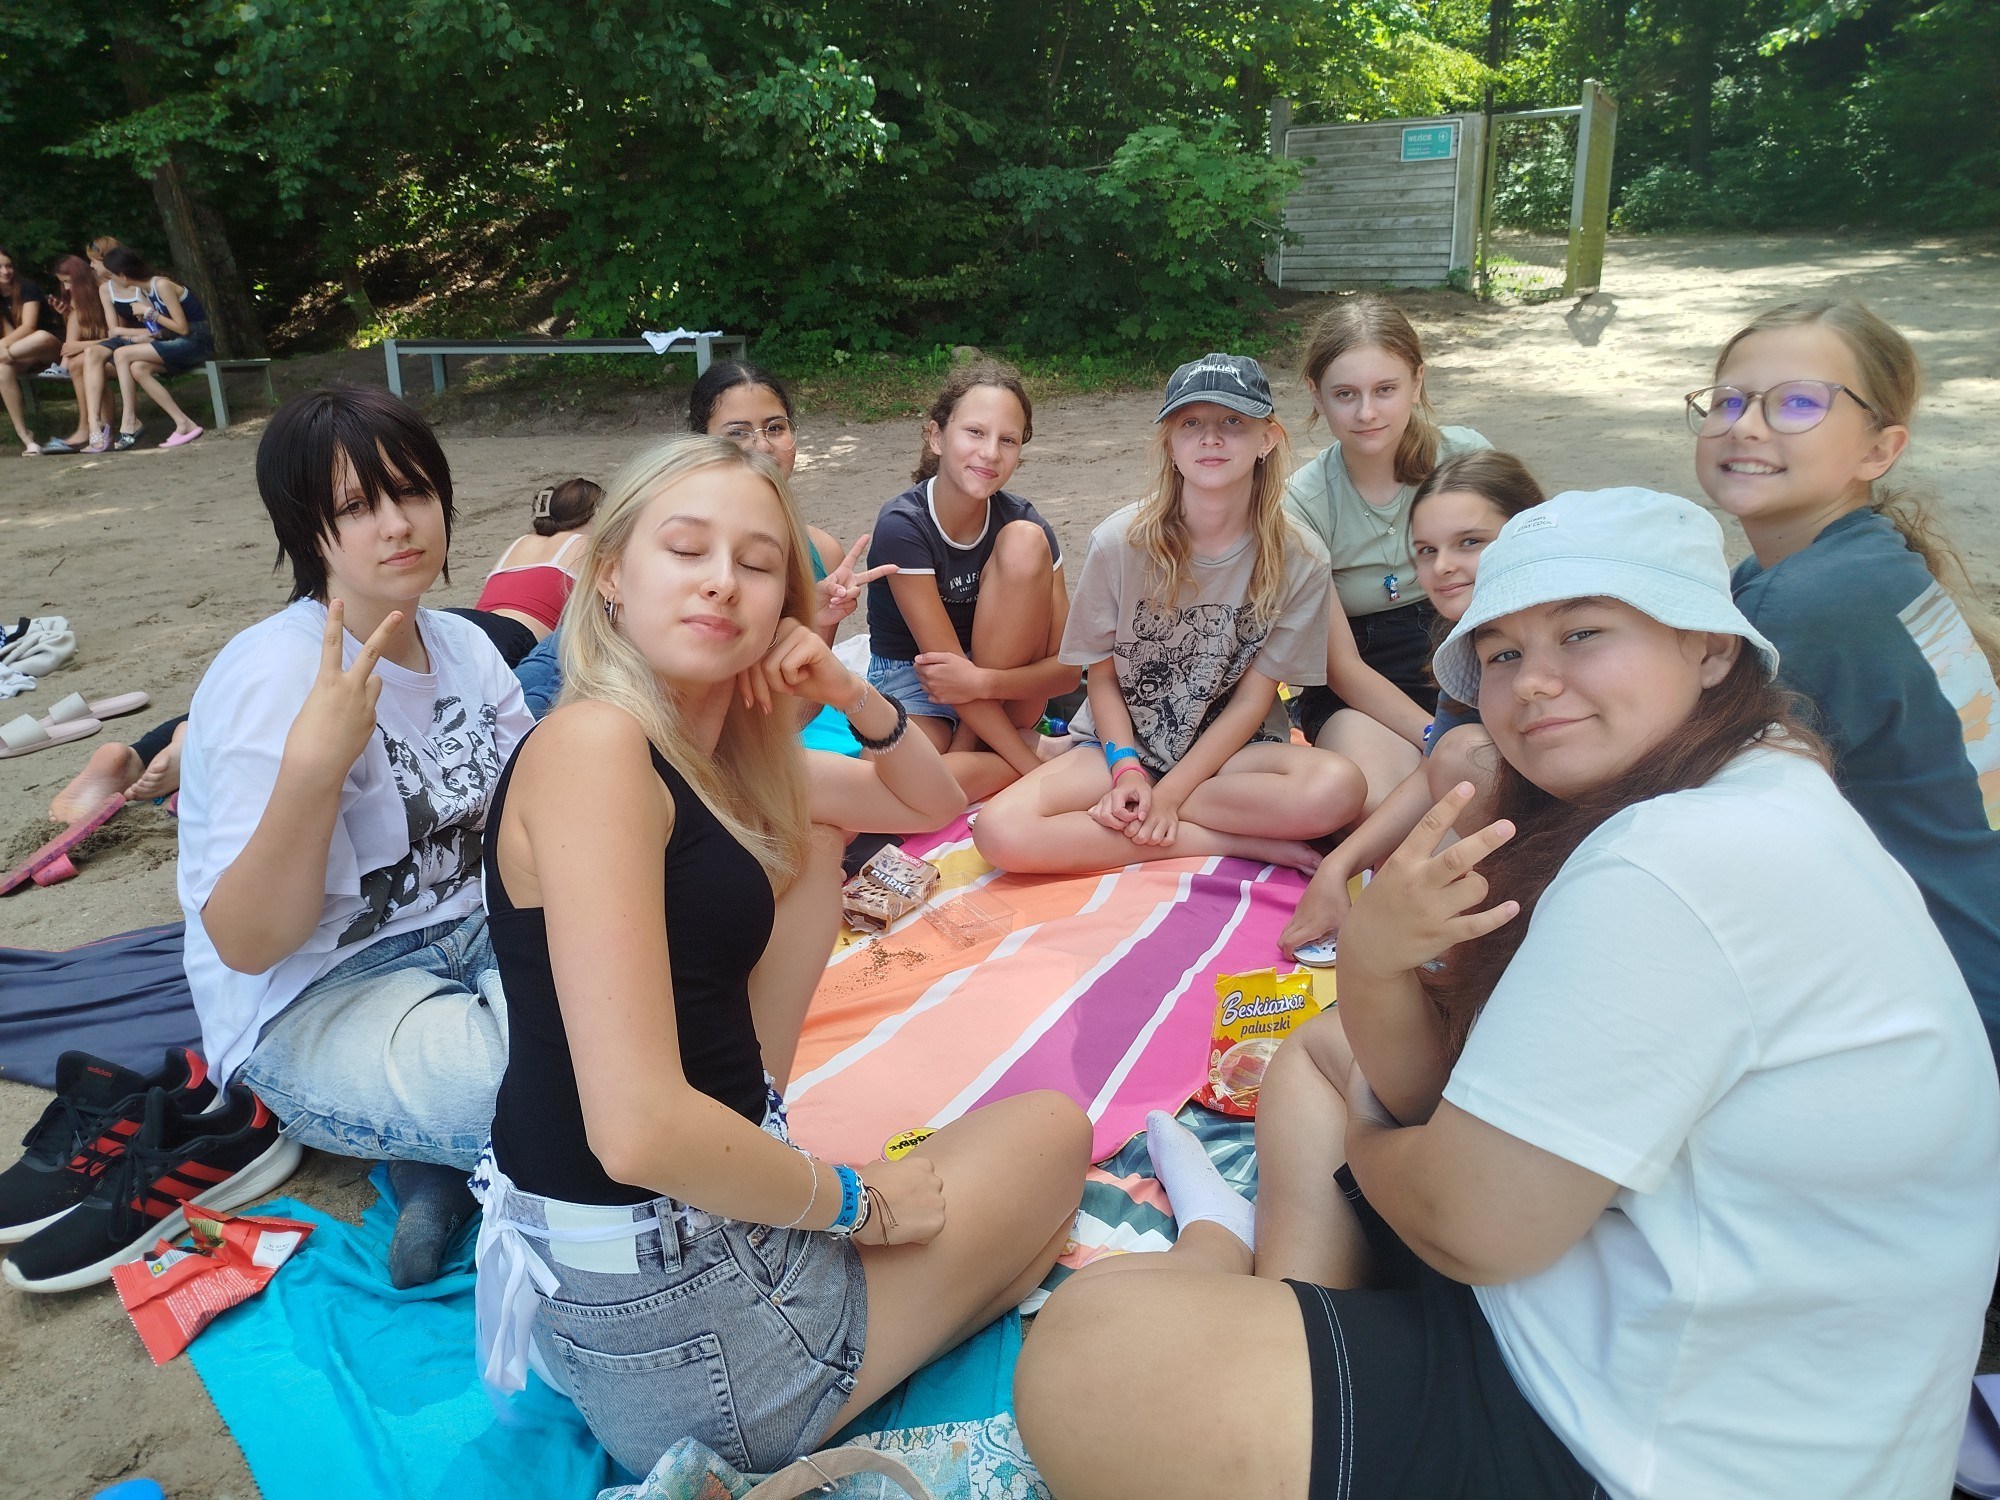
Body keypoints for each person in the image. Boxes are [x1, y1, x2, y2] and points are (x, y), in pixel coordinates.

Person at [1014, 488, 2000, 1500]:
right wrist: (1372, 966)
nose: (1533, 683)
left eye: (1583, 633)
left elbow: (1467, 1222)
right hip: (1701, 1344)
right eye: (1500, 652)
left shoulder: (1674, 862)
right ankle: (1293, 1308)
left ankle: (1229, 1254)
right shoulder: (1753, 779)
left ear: (1707, 647)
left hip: (1669, 1445)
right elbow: (1435, 1087)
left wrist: (1369, 1140)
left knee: (1095, 1353)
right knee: (1322, 1052)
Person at [469, 433, 1086, 1478]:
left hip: (635, 1294)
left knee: (809, 841)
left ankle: (797, 1181)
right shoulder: (593, 746)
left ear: (784, 609)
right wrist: (854, 1202)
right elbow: (634, 1129)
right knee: (1052, 1133)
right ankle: (840, 1341)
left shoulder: (709, 760)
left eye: (757, 565)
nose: (722, 580)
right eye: (686, 550)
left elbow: (930, 803)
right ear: (609, 574)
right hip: (698, 1324)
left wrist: (853, 696)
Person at [176, 386, 535, 1289]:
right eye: (355, 506)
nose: (398, 524)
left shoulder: (465, 648)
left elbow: (535, 819)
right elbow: (248, 942)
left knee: (644, 1019)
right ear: (306, 530)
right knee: (553, 1084)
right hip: (323, 990)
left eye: (413, 492)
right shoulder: (272, 677)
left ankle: (437, 1159)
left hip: (482, 928)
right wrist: (314, 769)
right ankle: (449, 1146)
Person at [1695, 297, 2000, 1064]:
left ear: (1878, 450)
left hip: (1950, 1011)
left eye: (1798, 403)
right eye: (1728, 400)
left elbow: (1678, 803)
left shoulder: (1815, 598)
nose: (1746, 424)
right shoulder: (1846, 564)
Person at [973, 354, 1360, 876]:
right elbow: (1102, 677)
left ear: (1268, 439)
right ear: (1170, 444)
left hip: (1234, 756)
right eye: (1191, 423)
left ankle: (1158, 815)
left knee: (1339, 789)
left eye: (1233, 421)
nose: (1211, 438)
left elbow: (1253, 701)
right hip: (1122, 746)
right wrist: (1127, 772)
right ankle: (1226, 841)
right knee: (999, 832)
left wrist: (1170, 794)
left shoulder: (1301, 557)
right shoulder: (1118, 543)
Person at [512, 364, 894, 737]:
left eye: (775, 428)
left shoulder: (820, 553)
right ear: (700, 442)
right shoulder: (655, 516)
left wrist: (818, 620)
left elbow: (785, 725)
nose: (762, 445)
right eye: (738, 432)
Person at [1279, 450, 1545, 958]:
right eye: (1425, 550)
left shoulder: (1554, 634)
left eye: (1470, 542)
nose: (1442, 566)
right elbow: (1429, 774)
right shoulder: (1471, 642)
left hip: (1598, 836)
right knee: (1418, 850)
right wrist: (1338, 867)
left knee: (1463, 762)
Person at [1284, 295, 1493, 814]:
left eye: (1385, 389)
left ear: (1417, 382)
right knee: (1381, 803)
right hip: (1363, 687)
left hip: (1476, 663)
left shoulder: (1466, 459)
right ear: (1316, 395)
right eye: (1345, 394)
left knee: (1496, 792)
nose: (1366, 412)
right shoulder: (1301, 504)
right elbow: (1341, 667)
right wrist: (1435, 734)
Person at [864, 361, 1075, 800]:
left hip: (1002, 685)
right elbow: (942, 670)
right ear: (937, 436)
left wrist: (984, 683)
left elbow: (1068, 672)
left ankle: (978, 749)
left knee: (1024, 541)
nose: (990, 453)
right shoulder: (903, 525)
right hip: (916, 679)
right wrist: (1031, 771)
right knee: (888, 781)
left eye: (1008, 440)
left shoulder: (1025, 522)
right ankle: (1027, 753)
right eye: (975, 432)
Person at [449, 478, 605, 666]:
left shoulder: (521, 542)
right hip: (512, 639)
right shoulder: (584, 544)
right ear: (597, 512)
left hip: (465, 623)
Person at [86, 247, 213, 450]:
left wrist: (150, 313)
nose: (110, 280)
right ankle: (183, 422)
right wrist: (145, 332)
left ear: (122, 276)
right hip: (178, 342)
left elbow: (182, 328)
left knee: (121, 354)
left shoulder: (161, 285)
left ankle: (129, 420)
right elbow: (163, 330)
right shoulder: (145, 290)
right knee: (138, 368)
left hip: (197, 342)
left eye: (112, 275)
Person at [39, 255, 109, 454]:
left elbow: (118, 336)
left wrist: (79, 345)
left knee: (86, 362)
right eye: (63, 283)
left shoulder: (105, 289)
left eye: (69, 281)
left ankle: (100, 430)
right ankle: (88, 429)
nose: (67, 288)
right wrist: (66, 314)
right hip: (93, 351)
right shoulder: (79, 298)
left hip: (118, 349)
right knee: (79, 362)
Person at [0, 248, 62, 455]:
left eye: (8, 266)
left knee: (41, 336)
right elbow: (9, 335)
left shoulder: (27, 287)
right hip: (19, 354)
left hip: (49, 348)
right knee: (2, 369)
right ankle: (26, 437)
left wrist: (2, 346)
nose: (5, 271)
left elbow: (29, 327)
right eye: (0, 267)